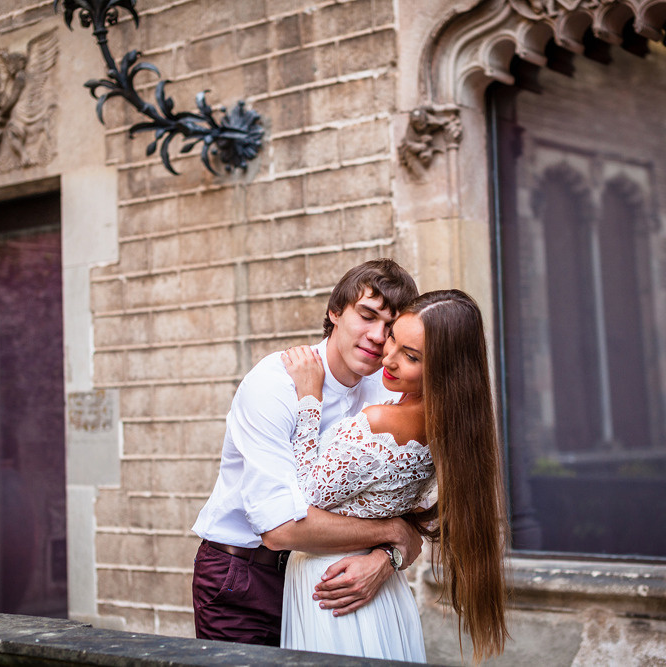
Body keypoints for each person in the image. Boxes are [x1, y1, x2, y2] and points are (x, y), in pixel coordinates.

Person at [191, 259, 421, 646]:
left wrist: (386, 558)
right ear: (335, 312)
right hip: (244, 578)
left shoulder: (387, 392)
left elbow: (404, 503)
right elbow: (279, 527)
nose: (378, 337)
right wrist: (391, 534)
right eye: (367, 316)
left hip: (328, 576)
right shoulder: (274, 384)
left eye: (391, 328)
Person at [279, 289, 508, 663]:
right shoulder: (451, 433)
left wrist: (309, 398)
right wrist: (390, 554)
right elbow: (414, 515)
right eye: (393, 339)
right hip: (382, 592)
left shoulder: (380, 423)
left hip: (333, 589)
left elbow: (303, 497)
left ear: (445, 370)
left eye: (411, 356)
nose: (388, 358)